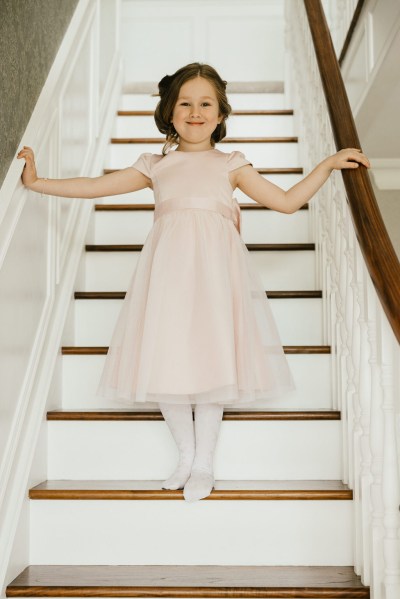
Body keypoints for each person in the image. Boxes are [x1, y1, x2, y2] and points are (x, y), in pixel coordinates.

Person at [17, 62, 371, 503]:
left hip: (216, 278)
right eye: (185, 103)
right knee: (164, 359)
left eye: (206, 104)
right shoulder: (155, 165)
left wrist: (328, 165)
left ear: (221, 115)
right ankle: (185, 454)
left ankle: (204, 462)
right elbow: (94, 186)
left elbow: (285, 202)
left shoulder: (232, 165)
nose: (196, 112)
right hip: (167, 276)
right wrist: (37, 181)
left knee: (211, 362)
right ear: (169, 112)